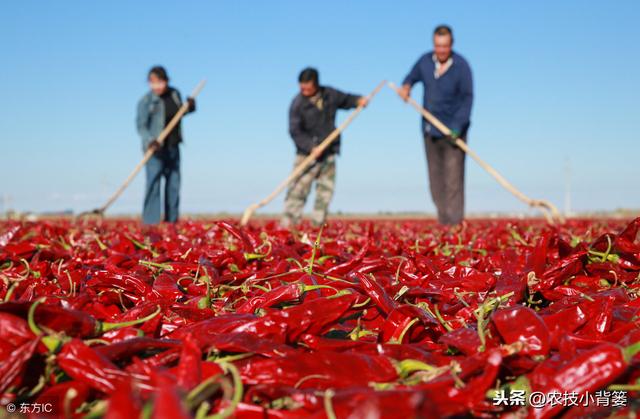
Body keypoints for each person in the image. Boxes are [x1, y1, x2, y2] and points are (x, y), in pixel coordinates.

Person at [398, 25, 473, 225]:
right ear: (434, 45)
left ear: (451, 45)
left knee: (453, 181)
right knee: (435, 181)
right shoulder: (425, 61)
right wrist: (406, 87)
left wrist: (457, 126)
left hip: (453, 133)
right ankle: (444, 221)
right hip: (430, 131)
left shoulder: (461, 66)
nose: (441, 50)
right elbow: (411, 77)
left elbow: (467, 98)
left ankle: (454, 225)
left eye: (445, 46)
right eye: (438, 46)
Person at [282, 67, 368, 228]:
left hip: (328, 152)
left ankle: (317, 227)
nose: (304, 91)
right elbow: (294, 131)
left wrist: (359, 100)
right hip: (306, 156)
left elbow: (347, 99)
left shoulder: (330, 94)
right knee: (297, 192)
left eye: (307, 88)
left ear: (315, 84)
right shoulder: (297, 104)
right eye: (301, 88)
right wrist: (310, 147)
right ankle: (288, 227)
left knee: (325, 193)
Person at [136, 66, 195, 224]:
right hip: (155, 150)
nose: (156, 86)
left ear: (166, 81)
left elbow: (179, 113)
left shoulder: (175, 94)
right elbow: (141, 125)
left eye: (159, 82)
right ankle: (151, 222)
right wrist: (150, 140)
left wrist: (189, 106)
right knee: (153, 184)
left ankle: (171, 221)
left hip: (173, 146)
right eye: (152, 83)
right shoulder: (146, 101)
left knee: (173, 184)